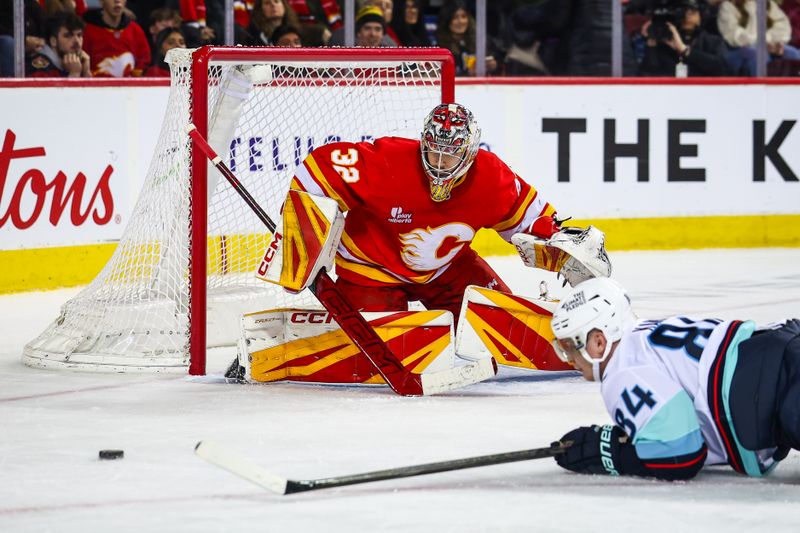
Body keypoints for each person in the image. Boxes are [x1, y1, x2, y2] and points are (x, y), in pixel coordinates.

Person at [286, 103, 568, 325]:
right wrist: (299, 244)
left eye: (451, 155)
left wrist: (563, 248)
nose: (442, 164)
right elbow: (316, 171)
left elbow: (531, 219)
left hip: (448, 271)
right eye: (435, 153)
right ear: (423, 143)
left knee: (503, 324)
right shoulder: (387, 160)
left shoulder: (491, 177)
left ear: (470, 153)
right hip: (370, 271)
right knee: (374, 347)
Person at [549, 277, 800, 480]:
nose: (568, 357)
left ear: (599, 341)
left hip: (777, 387)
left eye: (569, 345)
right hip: (782, 353)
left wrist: (611, 453)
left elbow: (681, 455)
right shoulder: (643, 335)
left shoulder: (621, 371)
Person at [639, 0, 728, 76]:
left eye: (692, 12)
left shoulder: (713, 42)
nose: (687, 17)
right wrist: (652, 44)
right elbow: (647, 74)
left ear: (701, 15)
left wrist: (685, 50)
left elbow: (721, 69)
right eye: (681, 12)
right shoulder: (665, 42)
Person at [717, 0, 800, 75]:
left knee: (794, 54)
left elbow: (783, 27)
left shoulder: (767, 4)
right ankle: (762, 87)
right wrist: (763, 43)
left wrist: (773, 42)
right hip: (738, 50)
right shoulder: (728, 6)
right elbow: (735, 36)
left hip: (768, 45)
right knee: (759, 56)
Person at [82, 0, 150, 77]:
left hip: (130, 87)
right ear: (101, 2)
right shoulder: (88, 31)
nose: (117, 1)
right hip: (98, 87)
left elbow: (144, 58)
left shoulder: (135, 29)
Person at [435, 0, 498, 76]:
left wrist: (494, 65)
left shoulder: (480, 40)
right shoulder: (441, 48)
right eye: (455, 17)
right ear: (447, 21)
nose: (460, 21)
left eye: (463, 16)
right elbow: (442, 76)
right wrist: (467, 74)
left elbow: (496, 58)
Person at [27, 11, 92, 77]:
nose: (77, 41)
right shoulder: (40, 68)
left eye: (79, 35)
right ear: (53, 41)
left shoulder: (78, 63)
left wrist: (86, 72)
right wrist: (74, 74)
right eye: (68, 35)